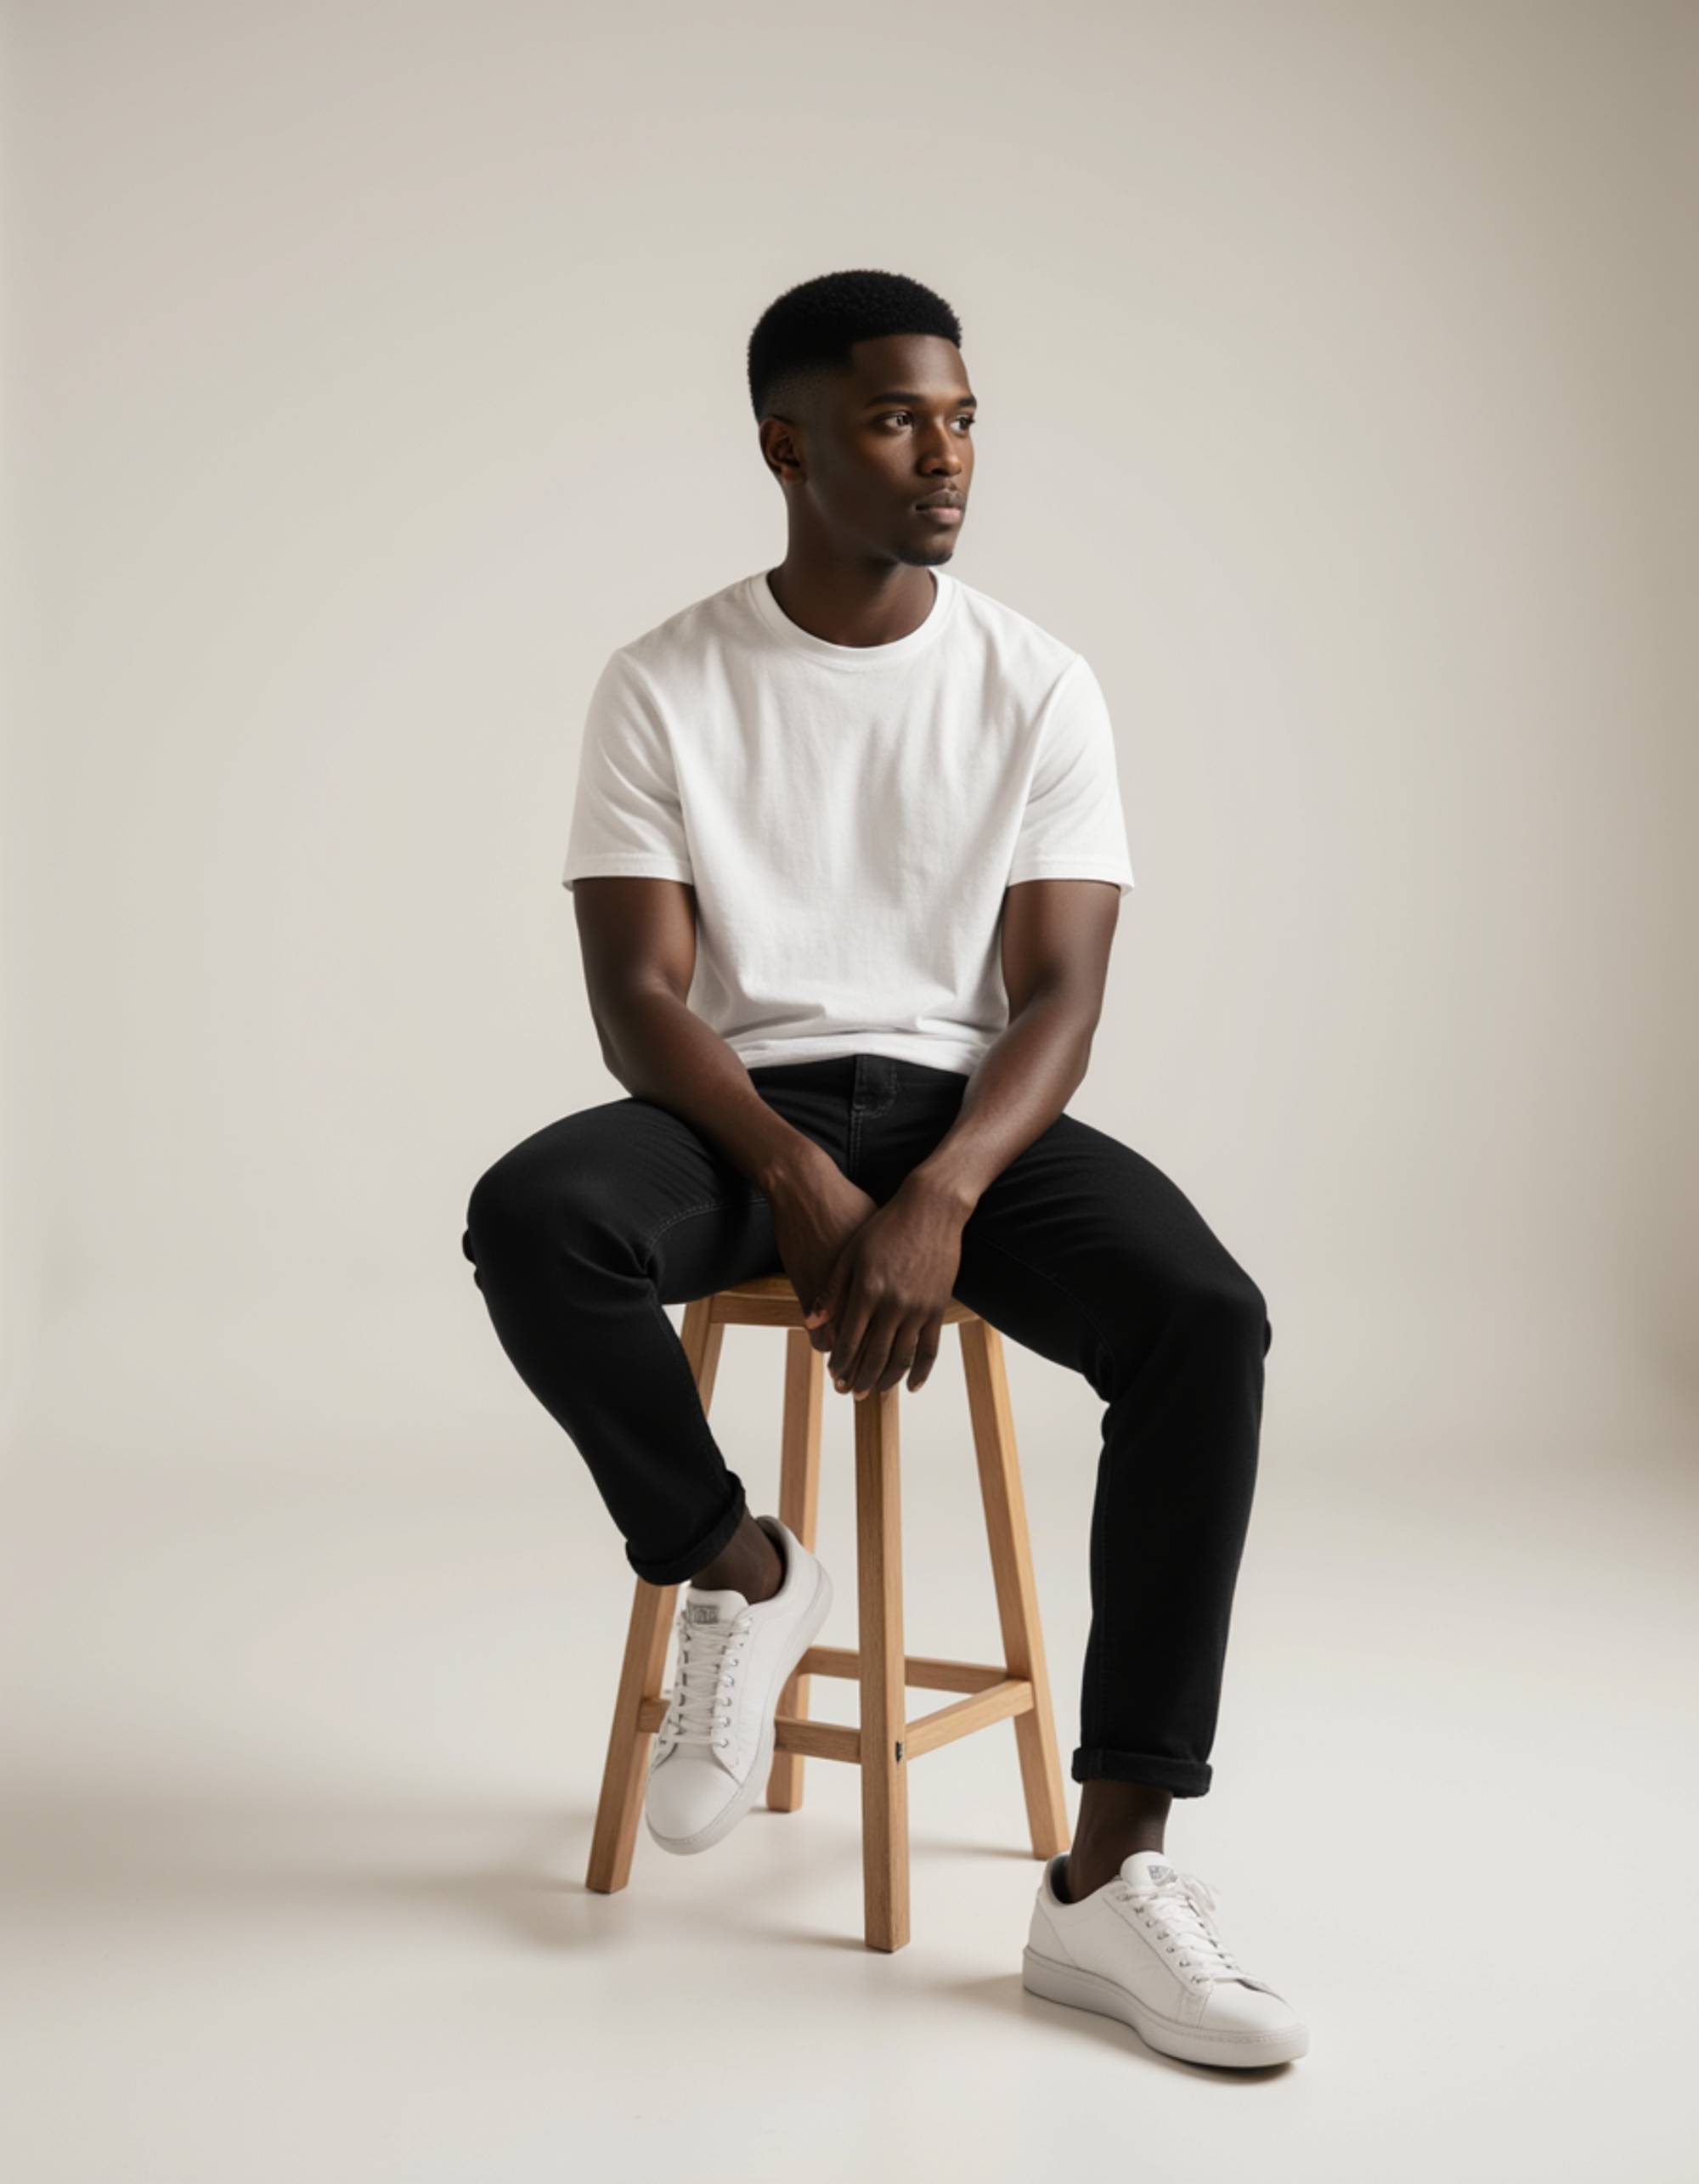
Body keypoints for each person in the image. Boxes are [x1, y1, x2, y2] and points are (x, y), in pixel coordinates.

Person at [462, 268, 1308, 2068]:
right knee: (534, 1218)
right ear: (785, 444)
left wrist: (936, 1191)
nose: (945, 453)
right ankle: (742, 1566)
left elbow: (1063, 993)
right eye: (895, 417)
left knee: (1203, 1320)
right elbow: (638, 995)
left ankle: (1109, 1877)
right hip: (731, 1104)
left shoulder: (1033, 677)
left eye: (962, 415)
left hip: (967, 1105)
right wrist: (782, 1164)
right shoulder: (665, 678)